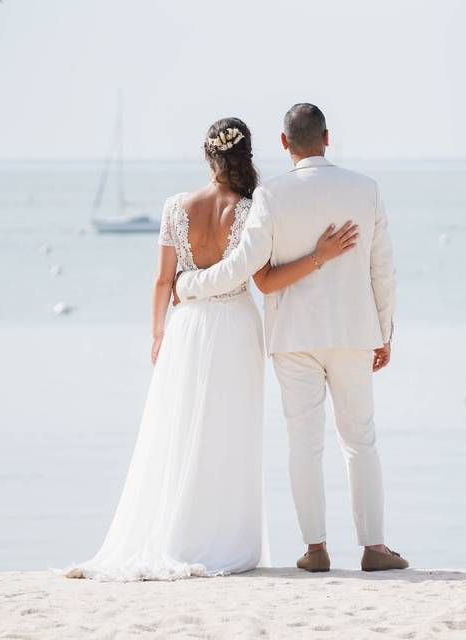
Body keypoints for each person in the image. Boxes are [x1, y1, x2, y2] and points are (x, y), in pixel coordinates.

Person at [66, 117, 357, 581]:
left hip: (186, 327)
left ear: (208, 156)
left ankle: (176, 533)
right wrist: (320, 256)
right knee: (228, 434)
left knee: (178, 429)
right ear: (247, 155)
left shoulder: (175, 206)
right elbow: (262, 281)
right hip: (236, 326)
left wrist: (158, 332)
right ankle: (218, 538)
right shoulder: (249, 209)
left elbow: (164, 279)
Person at [175, 104, 407, 572]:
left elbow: (246, 268)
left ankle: (316, 548)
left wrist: (188, 285)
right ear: (328, 136)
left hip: (293, 338)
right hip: (353, 333)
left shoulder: (271, 196)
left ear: (284, 144)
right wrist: (384, 332)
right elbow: (383, 271)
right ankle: (375, 548)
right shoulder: (366, 189)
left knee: (305, 443)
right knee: (360, 440)